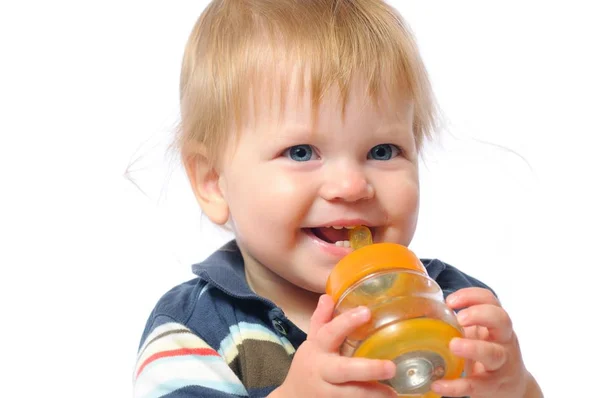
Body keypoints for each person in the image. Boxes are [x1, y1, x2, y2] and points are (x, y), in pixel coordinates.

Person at [133, 1, 543, 397]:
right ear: (213, 182)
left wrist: (513, 387)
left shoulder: (453, 304)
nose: (351, 186)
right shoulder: (192, 330)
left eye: (382, 151)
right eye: (301, 152)